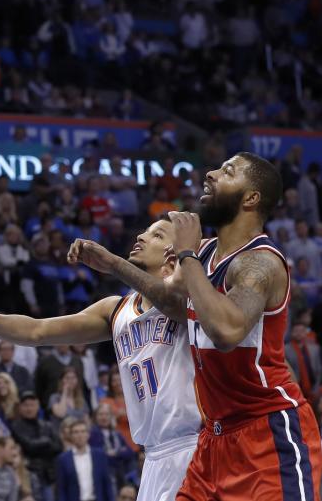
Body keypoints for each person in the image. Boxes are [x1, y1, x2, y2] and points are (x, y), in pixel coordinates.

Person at [77, 153, 322, 500]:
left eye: (227, 172)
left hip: (268, 432)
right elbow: (173, 303)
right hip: (214, 439)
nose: (210, 174)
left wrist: (188, 254)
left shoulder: (260, 263)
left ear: (251, 198)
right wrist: (114, 263)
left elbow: (225, 330)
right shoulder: (206, 255)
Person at [0, 218, 200, 501]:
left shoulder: (192, 297)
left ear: (175, 252)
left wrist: (114, 264)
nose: (141, 236)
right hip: (153, 456)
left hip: (192, 445)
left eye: (157, 235)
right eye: (144, 230)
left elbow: (177, 297)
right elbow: (37, 330)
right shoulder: (115, 309)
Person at [56, 418, 113, 501]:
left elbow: (107, 484)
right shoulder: (63, 459)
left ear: (88, 434)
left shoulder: (99, 455)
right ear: (71, 435)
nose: (80, 435)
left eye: (83, 431)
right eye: (76, 432)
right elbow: (61, 489)